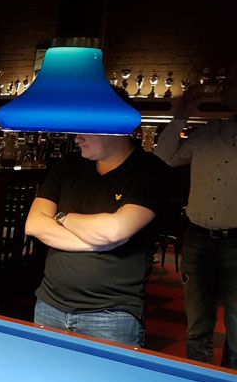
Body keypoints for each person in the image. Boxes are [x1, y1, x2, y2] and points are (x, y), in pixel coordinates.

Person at [24, 132, 171, 347]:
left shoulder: (151, 170)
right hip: (49, 304)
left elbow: (114, 231)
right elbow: (34, 225)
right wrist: (99, 241)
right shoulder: (68, 164)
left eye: (87, 130)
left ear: (116, 130)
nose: (77, 138)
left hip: (112, 315)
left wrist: (62, 217)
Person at [154, 79, 237, 366]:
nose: (226, 88)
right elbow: (162, 159)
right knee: (196, 326)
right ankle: (198, 379)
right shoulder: (209, 133)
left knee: (236, 328)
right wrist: (181, 114)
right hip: (197, 237)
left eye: (233, 83)